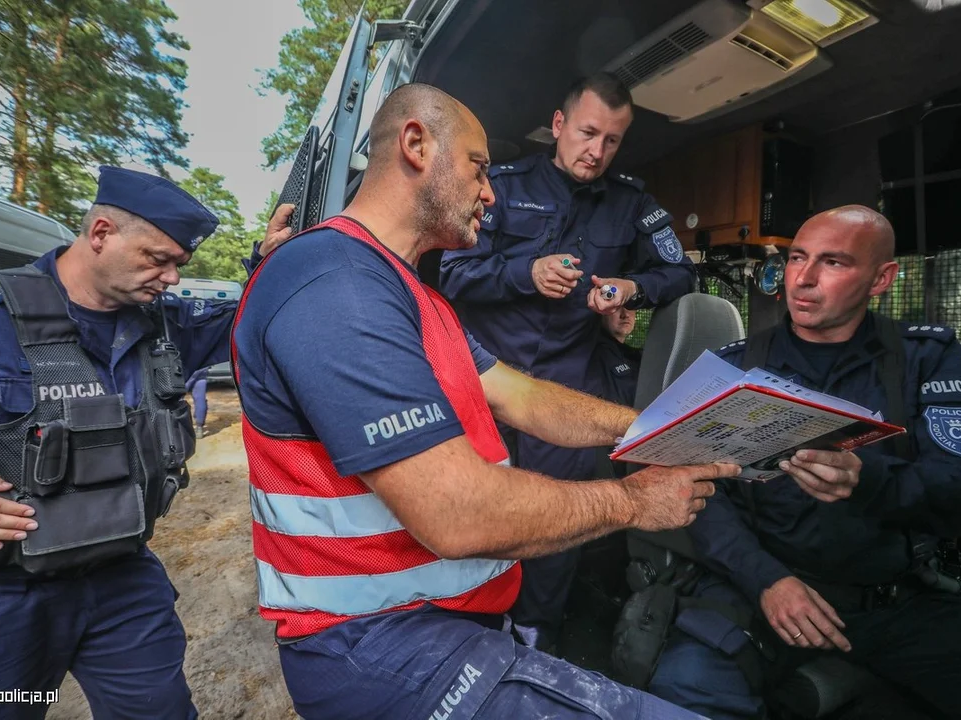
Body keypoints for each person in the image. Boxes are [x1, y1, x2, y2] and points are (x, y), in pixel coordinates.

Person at [231, 82, 739, 720]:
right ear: (416, 145)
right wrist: (636, 501)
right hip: (377, 641)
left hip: (448, 623)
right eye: (477, 168)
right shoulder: (336, 283)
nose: (491, 191)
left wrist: (652, 426)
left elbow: (522, 397)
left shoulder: (409, 296)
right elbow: (458, 515)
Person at [646, 205, 961, 720]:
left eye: (834, 263)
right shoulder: (734, 366)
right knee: (680, 698)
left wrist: (873, 481)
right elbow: (696, 491)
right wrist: (764, 579)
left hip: (893, 602)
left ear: (881, 278)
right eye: (797, 258)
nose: (805, 279)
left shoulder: (926, 359)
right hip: (760, 587)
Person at [0, 166, 293, 719]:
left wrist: (267, 262)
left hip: (123, 583)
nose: (171, 277)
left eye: (179, 265)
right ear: (100, 233)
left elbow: (245, 316)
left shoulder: (165, 325)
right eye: (157, 258)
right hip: (5, 600)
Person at [438, 72, 697, 650]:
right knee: (478, 507)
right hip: (487, 382)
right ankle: (468, 628)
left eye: (612, 140)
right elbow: (454, 273)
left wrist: (630, 289)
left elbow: (681, 272)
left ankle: (534, 635)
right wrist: (525, 273)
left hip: (570, 383)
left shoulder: (632, 202)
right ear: (558, 126)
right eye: (587, 133)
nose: (596, 151)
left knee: (557, 516)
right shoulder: (499, 186)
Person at [186, 367, 209, 436]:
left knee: (177, 397)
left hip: (187, 369)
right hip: (202, 370)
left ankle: (177, 425)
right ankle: (199, 427)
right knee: (200, 398)